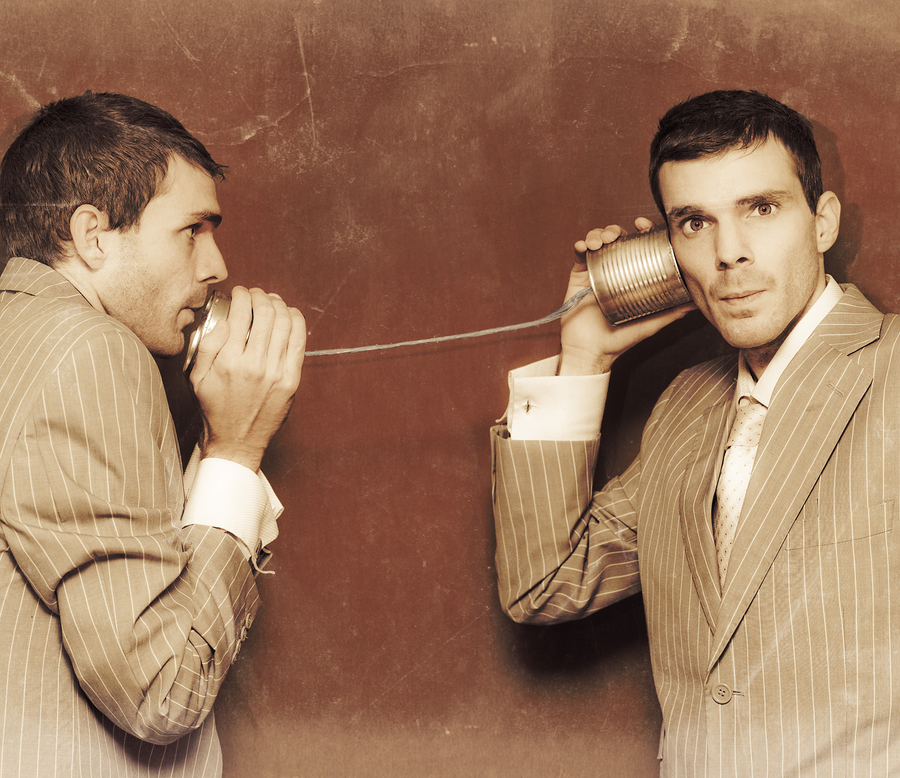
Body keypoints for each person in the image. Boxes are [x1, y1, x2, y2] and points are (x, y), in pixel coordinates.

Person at [492, 89, 900, 775]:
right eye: (693, 223)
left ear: (823, 221)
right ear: (667, 249)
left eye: (760, 209)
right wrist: (585, 355)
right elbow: (545, 584)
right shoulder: (688, 407)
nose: (727, 254)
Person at [0, 92, 305, 777]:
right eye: (193, 228)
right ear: (92, 236)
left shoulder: (21, 338)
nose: (217, 265)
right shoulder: (93, 351)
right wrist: (235, 451)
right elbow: (160, 690)